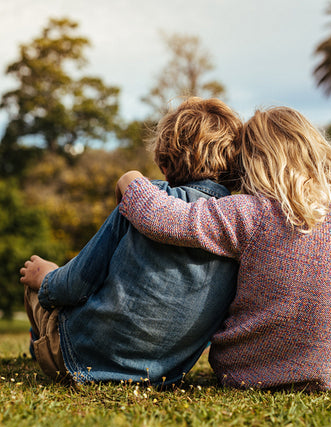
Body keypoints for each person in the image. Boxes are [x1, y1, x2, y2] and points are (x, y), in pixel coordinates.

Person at [117, 106, 331, 391]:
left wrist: (130, 179)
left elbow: (163, 219)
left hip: (244, 370)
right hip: (325, 375)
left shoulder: (252, 213)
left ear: (253, 159)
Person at [19, 97, 242, 384]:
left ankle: (40, 346)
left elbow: (75, 285)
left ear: (163, 162)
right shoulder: (241, 224)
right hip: (161, 376)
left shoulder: (147, 199)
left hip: (81, 358)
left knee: (36, 277)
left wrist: (47, 276)